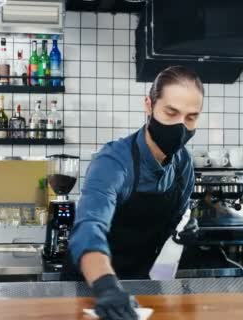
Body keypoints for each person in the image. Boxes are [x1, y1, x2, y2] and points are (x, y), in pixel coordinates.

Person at [64, 66, 204, 320]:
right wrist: (106, 286)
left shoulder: (184, 165)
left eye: (191, 117)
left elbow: (173, 222)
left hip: (140, 287)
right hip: (91, 286)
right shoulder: (114, 161)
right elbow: (88, 228)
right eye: (171, 113)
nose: (180, 126)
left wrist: (182, 230)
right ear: (149, 105)